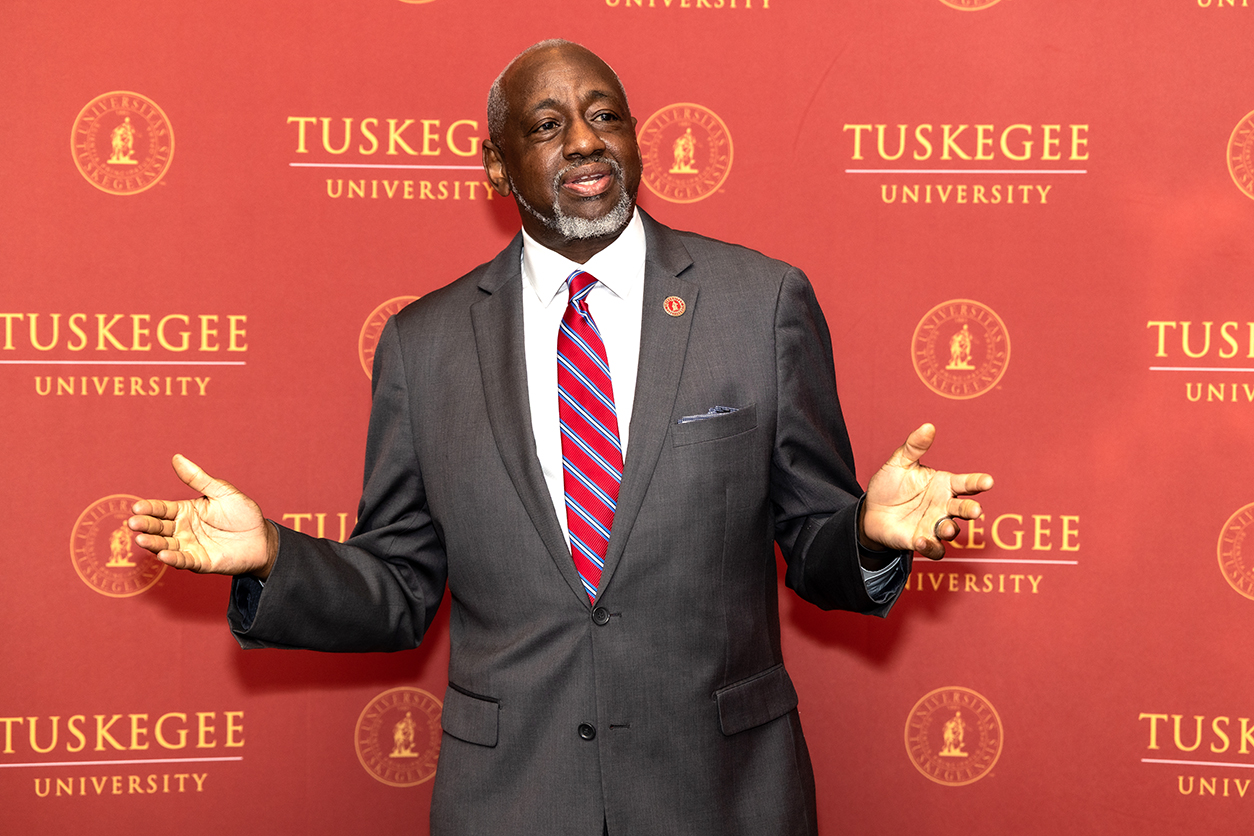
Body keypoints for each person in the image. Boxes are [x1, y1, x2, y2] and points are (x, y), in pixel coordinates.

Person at [128, 39, 992, 836]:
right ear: (497, 166)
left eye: (605, 114)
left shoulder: (759, 305)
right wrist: (276, 556)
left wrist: (868, 535)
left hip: (724, 794)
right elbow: (398, 585)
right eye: (547, 125)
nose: (584, 139)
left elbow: (813, 544)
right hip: (514, 801)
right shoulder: (424, 346)